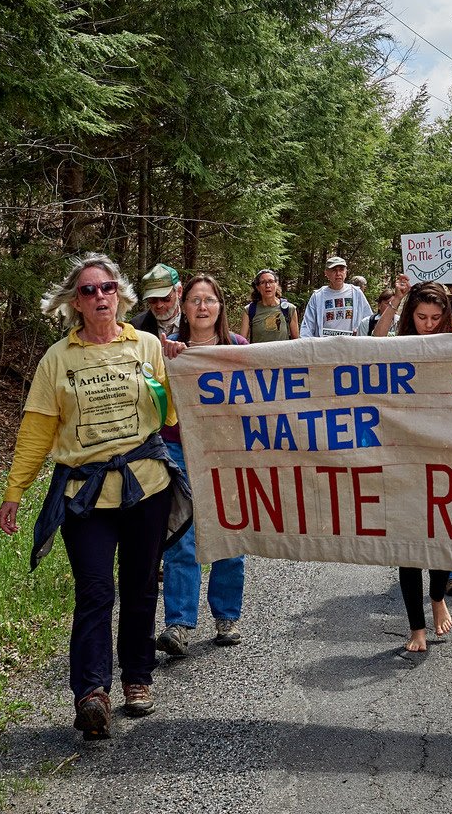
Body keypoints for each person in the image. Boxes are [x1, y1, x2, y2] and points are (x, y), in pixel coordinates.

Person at [0, 254, 189, 740]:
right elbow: (37, 429)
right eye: (88, 291)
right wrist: (14, 490)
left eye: (106, 288)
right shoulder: (57, 359)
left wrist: (181, 367)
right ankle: (91, 694)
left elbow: (172, 417)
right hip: (84, 497)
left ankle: (137, 679)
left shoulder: (148, 346)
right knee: (95, 591)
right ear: (74, 303)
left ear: (120, 295)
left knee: (142, 585)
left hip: (147, 486)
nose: (99, 297)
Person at [373, 275, 452, 651]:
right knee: (409, 542)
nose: (428, 324)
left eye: (434, 317)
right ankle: (416, 628)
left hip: (449, 451)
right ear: (411, 316)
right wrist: (396, 299)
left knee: (446, 533)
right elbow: (371, 345)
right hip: (405, 454)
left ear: (445, 316)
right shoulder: (400, 344)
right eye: (421, 317)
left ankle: (438, 596)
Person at [158, 275, 248, 657]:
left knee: (229, 532)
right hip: (180, 449)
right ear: (184, 306)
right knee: (182, 537)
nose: (202, 307)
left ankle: (226, 616)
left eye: (209, 299)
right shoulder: (167, 350)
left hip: (229, 452)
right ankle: (178, 624)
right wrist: (166, 361)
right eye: (195, 300)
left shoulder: (240, 348)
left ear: (220, 306)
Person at [300, 256, 372, 337]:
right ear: (326, 273)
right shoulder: (318, 296)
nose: (338, 274)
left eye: (341, 270)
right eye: (334, 270)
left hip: (351, 345)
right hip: (325, 346)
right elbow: (307, 325)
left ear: (345, 272)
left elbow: (368, 319)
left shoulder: (356, 293)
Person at [240, 268, 300, 342]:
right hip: (258, 353)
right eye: (263, 282)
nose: (267, 285)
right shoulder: (249, 310)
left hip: (283, 353)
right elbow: (241, 342)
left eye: (271, 281)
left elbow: (296, 342)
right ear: (257, 287)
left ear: (276, 284)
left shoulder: (289, 309)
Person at [130, 263, 183, 337]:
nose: (159, 305)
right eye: (152, 299)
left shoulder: (193, 321)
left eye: (165, 298)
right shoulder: (136, 327)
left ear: (179, 292)